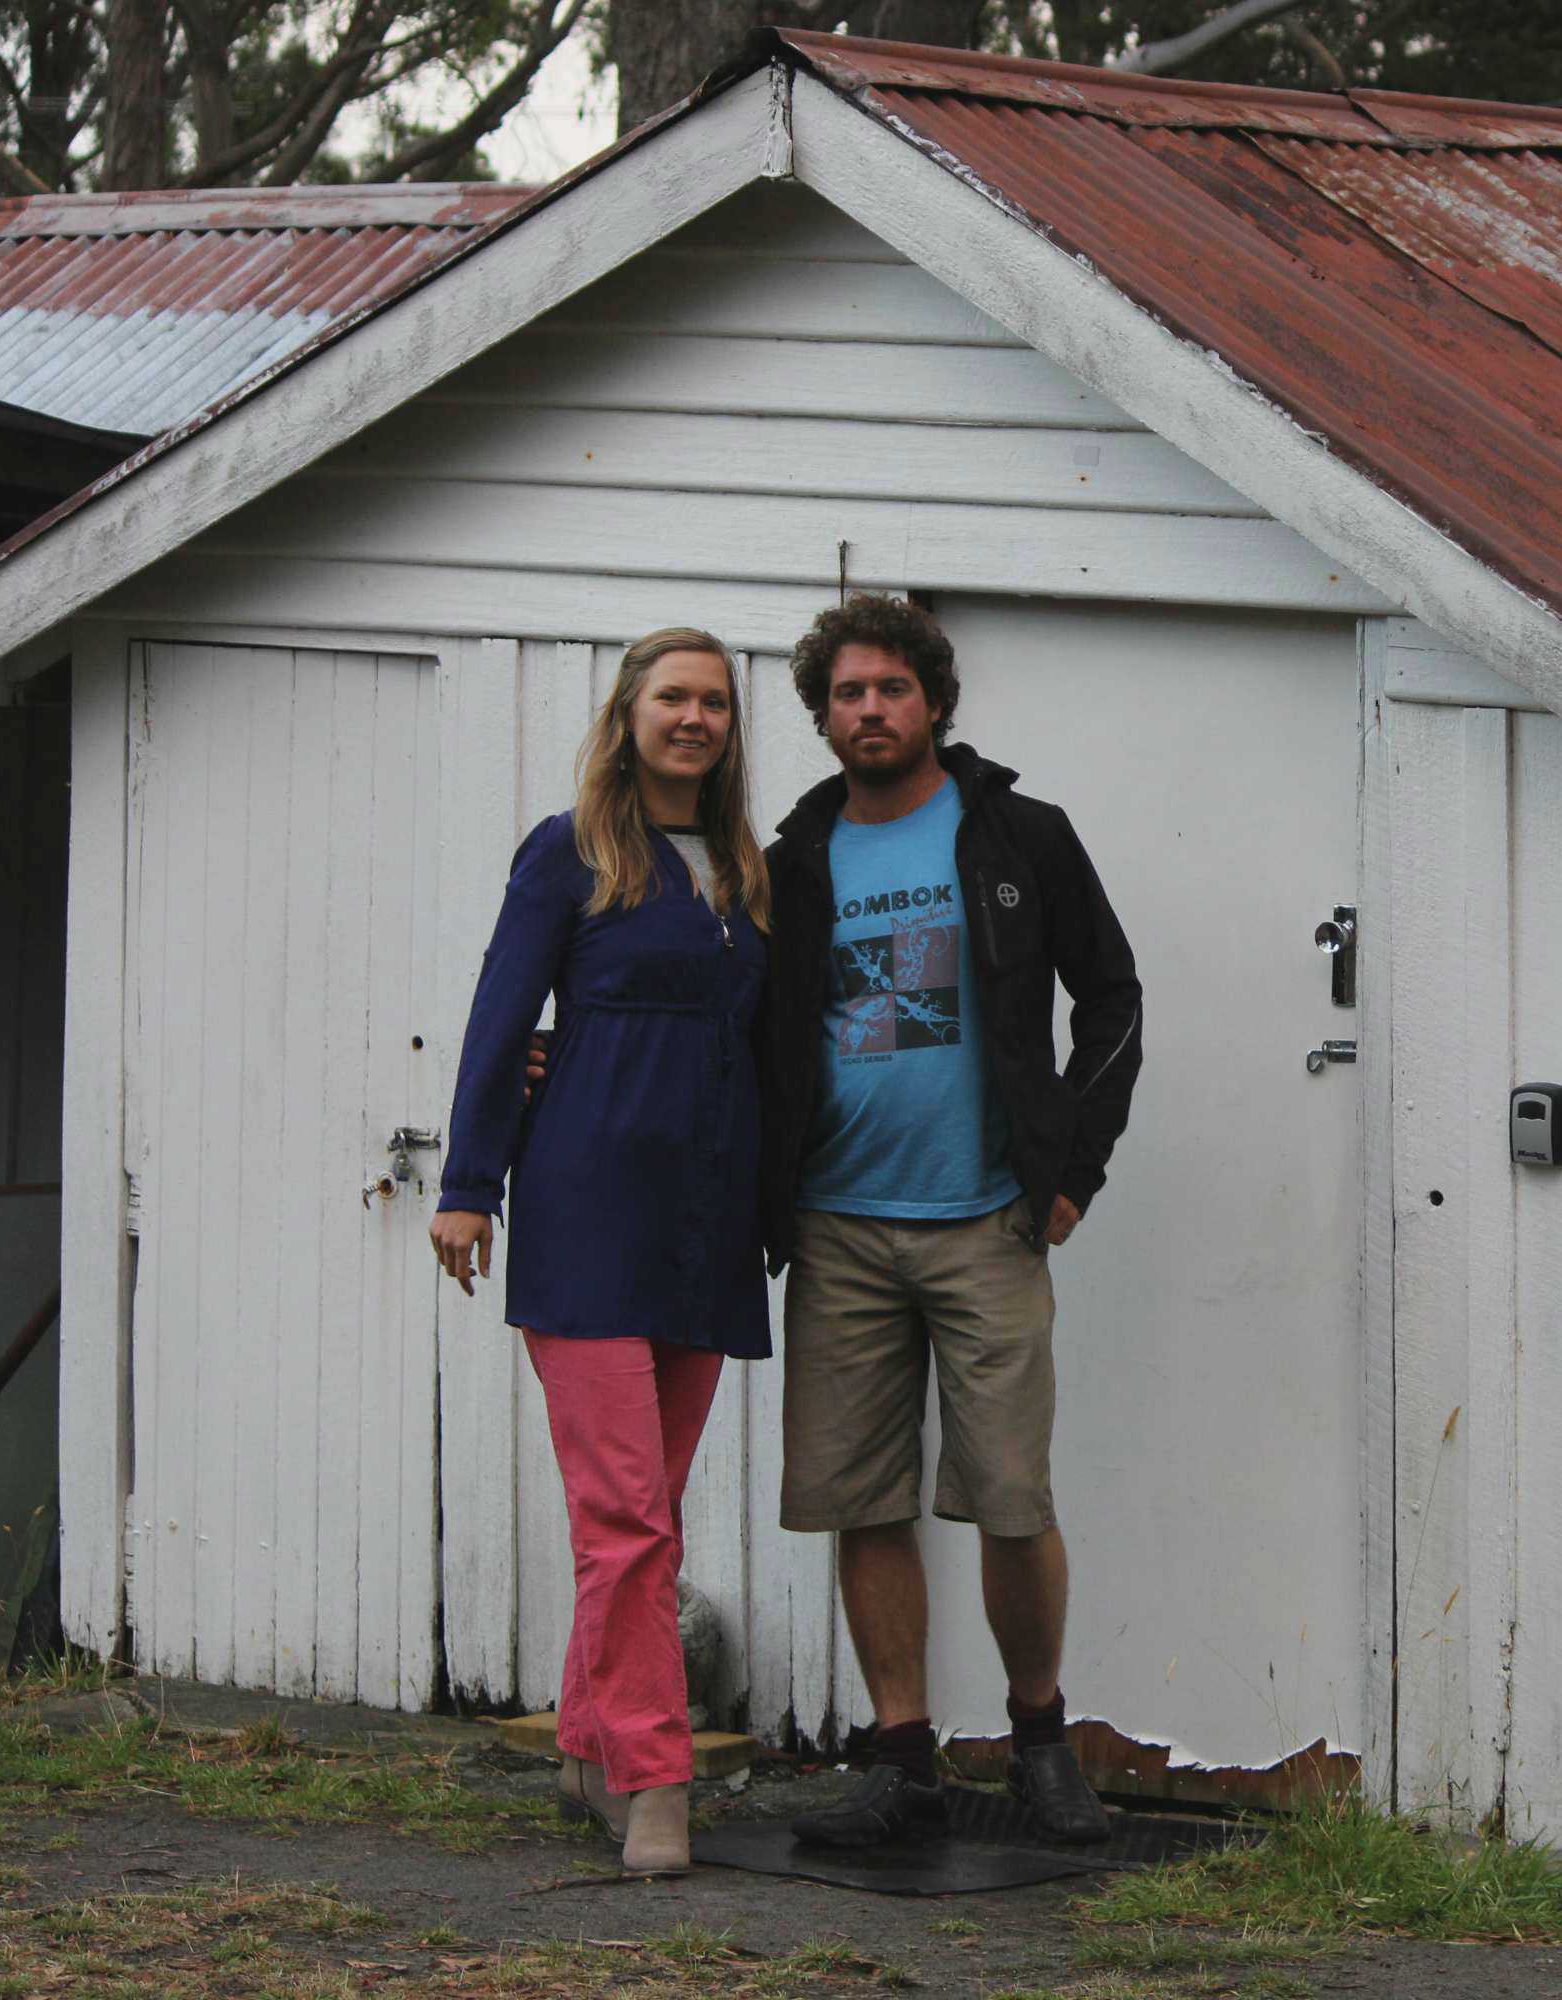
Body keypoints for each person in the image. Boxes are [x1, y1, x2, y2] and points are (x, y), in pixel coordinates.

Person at [767, 594, 1142, 1847]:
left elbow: (1113, 997)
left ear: (933, 700)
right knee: (862, 1496)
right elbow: (735, 1024)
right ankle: (904, 1758)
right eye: (846, 693)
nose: (869, 709)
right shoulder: (794, 862)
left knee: (1010, 1497)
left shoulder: (1018, 836)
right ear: (821, 715)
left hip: (989, 1220)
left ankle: (1041, 1743)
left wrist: (1072, 1167)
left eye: (891, 688)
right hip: (836, 1228)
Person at [429, 627, 772, 1879]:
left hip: (707, 1220)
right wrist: (470, 1181)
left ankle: (586, 1739)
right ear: (627, 712)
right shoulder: (568, 852)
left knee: (645, 1513)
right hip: (586, 1207)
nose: (694, 718)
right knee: (625, 1516)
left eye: (715, 702)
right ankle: (655, 1776)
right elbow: (501, 1012)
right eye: (672, 697)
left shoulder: (743, 865)